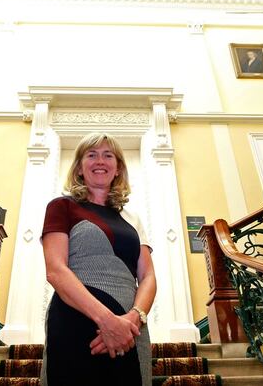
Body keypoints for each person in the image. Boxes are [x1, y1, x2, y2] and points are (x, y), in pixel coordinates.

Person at [41, 133, 157, 386]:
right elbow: (56, 271)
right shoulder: (62, 206)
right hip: (76, 321)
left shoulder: (132, 218)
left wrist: (132, 320)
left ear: (118, 169)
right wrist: (107, 322)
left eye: (108, 155)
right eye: (91, 155)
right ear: (80, 168)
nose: (100, 161)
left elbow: (147, 276)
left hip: (131, 329)